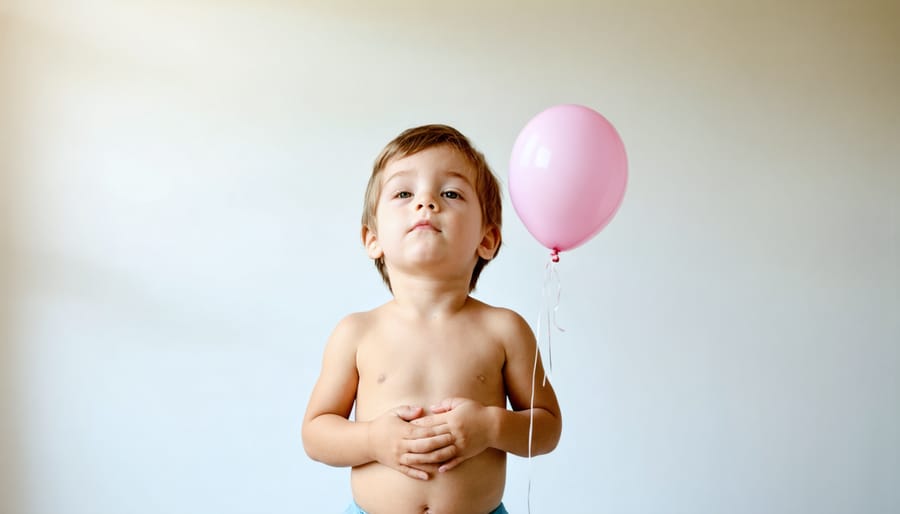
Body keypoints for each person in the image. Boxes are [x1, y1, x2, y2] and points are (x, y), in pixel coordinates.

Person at [302, 124, 562, 514]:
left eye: (451, 193)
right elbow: (316, 433)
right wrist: (373, 439)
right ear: (372, 238)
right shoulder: (357, 332)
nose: (426, 203)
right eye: (404, 193)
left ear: (487, 239)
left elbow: (547, 429)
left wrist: (490, 426)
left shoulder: (503, 329)